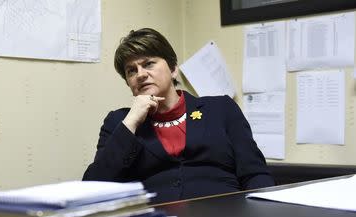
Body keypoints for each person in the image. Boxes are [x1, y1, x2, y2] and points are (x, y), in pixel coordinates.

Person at [83, 28, 274, 203]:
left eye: (148, 64)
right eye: (131, 71)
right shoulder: (119, 122)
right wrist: (131, 123)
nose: (140, 74)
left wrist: (262, 216)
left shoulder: (221, 109)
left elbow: (255, 174)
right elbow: (94, 188)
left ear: (173, 69)